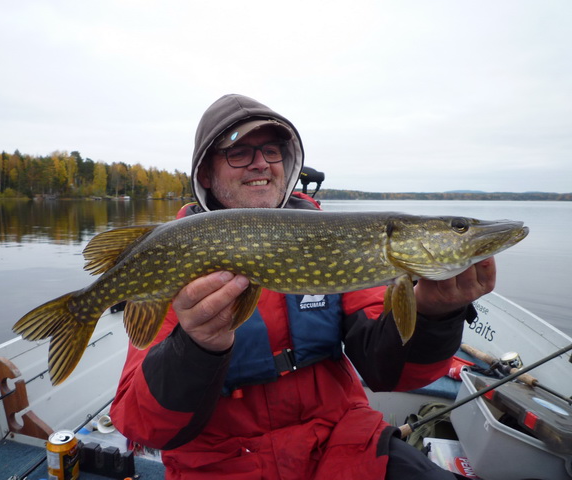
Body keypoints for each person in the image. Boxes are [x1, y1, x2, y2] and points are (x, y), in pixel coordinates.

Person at [110, 94, 494, 479]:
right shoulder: (175, 253)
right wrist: (194, 347)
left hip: (347, 448)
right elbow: (143, 426)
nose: (261, 162)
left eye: (272, 150)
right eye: (239, 152)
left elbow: (391, 375)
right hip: (223, 466)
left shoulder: (338, 241)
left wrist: (433, 315)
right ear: (206, 175)